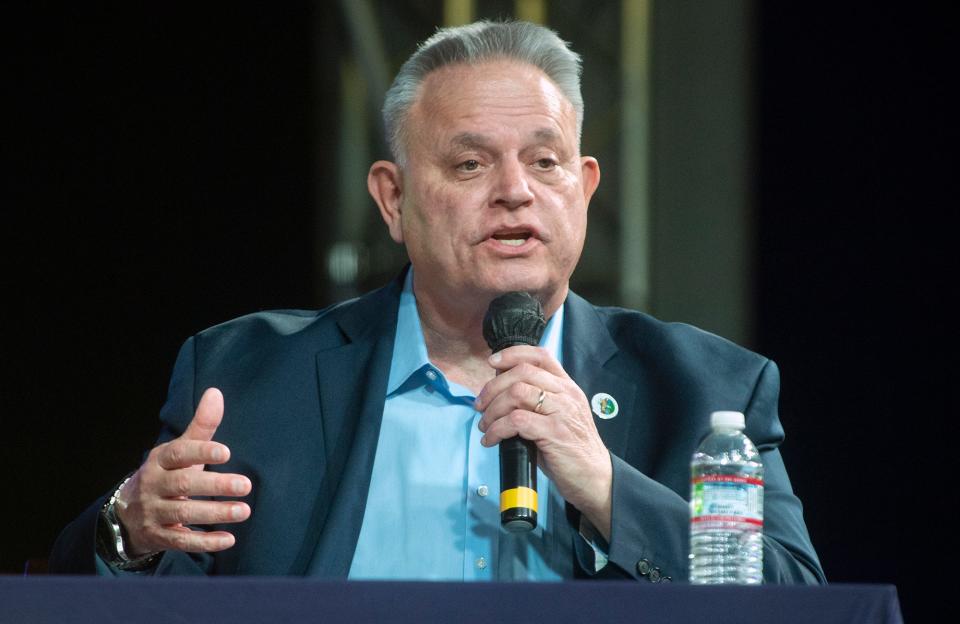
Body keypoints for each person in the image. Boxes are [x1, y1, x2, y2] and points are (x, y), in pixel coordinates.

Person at [51, 20, 824, 583]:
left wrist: (608, 488)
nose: (515, 192)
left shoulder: (706, 391)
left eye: (545, 162)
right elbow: (74, 596)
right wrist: (127, 533)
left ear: (585, 189)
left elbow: (803, 606)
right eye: (469, 164)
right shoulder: (248, 378)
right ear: (392, 200)